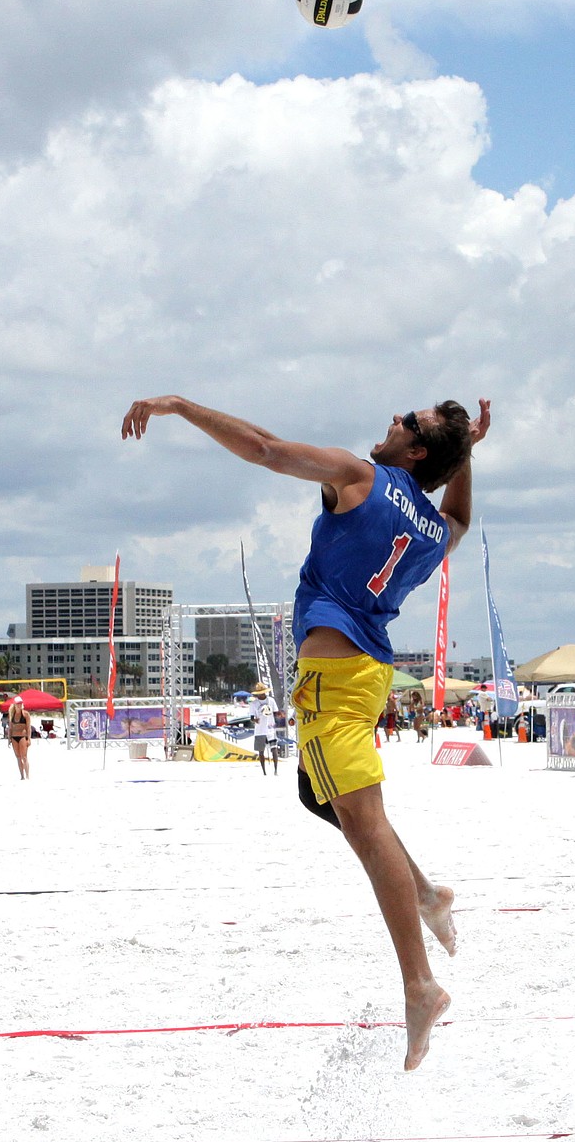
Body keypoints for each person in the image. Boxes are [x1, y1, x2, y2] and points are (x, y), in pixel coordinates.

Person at [122, 393, 490, 1069]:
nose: (396, 415)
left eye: (408, 423)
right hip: (368, 669)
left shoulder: (359, 475)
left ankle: (419, 984)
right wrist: (465, 457)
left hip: (335, 674)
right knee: (320, 798)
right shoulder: (434, 527)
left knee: (362, 817)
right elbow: (461, 515)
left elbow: (264, 448)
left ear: (413, 453)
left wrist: (177, 405)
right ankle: (430, 895)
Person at [250, 681, 280, 776]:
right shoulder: (254, 703)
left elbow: (276, 712)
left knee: (274, 749)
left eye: (263, 692)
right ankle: (264, 772)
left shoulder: (271, 700)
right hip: (259, 730)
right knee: (261, 751)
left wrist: (278, 719)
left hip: (271, 727)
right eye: (260, 693)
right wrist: (255, 720)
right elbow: (251, 718)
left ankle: (276, 770)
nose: (261, 694)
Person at [7, 695, 32, 779]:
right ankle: (22, 776)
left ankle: (27, 775)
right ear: (15, 704)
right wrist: (9, 738)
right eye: (18, 704)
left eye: (20, 704)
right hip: (14, 737)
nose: (19, 705)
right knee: (18, 757)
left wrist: (29, 739)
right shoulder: (11, 714)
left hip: (22, 736)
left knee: (24, 756)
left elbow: (28, 727)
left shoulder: (25, 714)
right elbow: (10, 727)